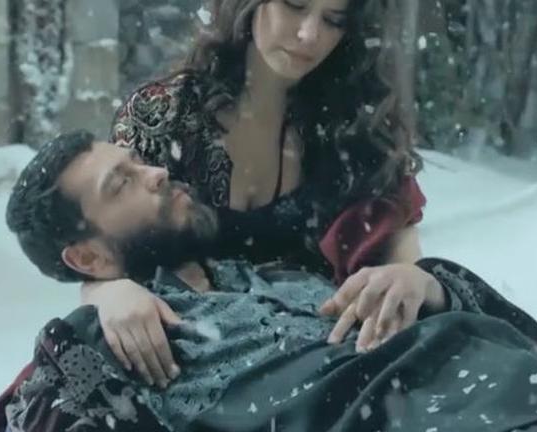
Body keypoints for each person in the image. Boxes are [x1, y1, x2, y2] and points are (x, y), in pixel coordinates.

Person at [1, 132, 537, 432]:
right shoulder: (102, 344)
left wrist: (423, 284)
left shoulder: (267, 271)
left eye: (138, 162)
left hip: (531, 386)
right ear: (87, 255)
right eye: (122, 183)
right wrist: (101, 298)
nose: (158, 172)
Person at [88, 0, 429, 388]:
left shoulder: (356, 132)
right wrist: (105, 292)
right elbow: (94, 249)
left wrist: (410, 279)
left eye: (333, 20)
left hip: (323, 369)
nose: (309, 35)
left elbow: (406, 268)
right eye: (294, 6)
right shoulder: (162, 116)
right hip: (184, 373)